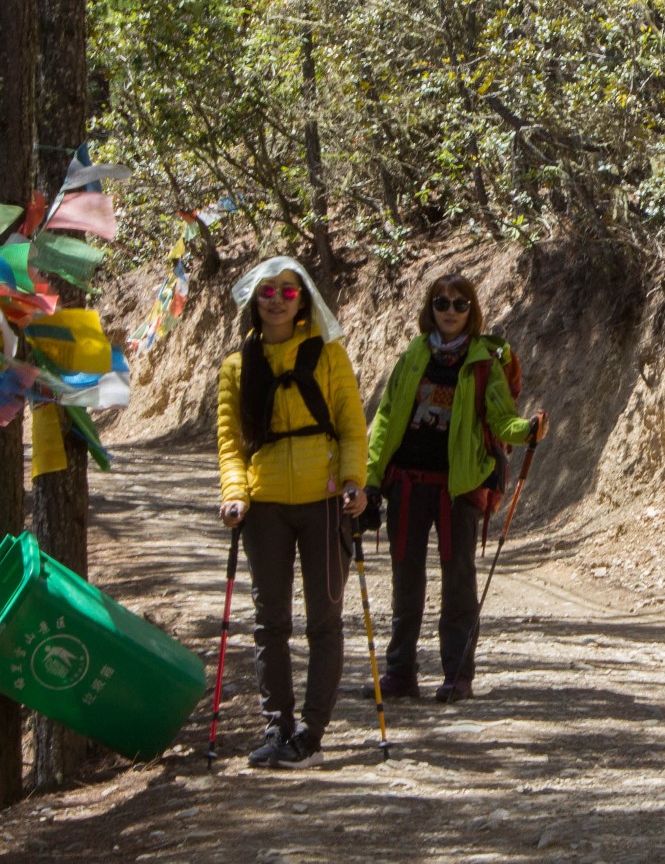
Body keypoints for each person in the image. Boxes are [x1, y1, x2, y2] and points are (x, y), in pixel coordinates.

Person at [215, 256, 368, 769]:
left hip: (325, 503)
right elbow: (232, 445)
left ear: (303, 298)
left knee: (323, 620)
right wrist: (235, 494)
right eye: (267, 291)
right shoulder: (237, 367)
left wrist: (354, 483)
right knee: (270, 621)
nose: (277, 299)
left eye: (287, 290)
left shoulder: (328, 355)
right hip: (264, 508)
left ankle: (311, 731)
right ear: (253, 301)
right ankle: (275, 726)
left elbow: (351, 426)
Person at [365, 273, 545, 702]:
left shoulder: (485, 360)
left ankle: (457, 675)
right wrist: (371, 478)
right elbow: (387, 417)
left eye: (459, 304)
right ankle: (400, 672)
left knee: (459, 580)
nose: (449, 311)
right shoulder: (413, 354)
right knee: (405, 578)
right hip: (406, 482)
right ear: (430, 308)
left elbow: (501, 417)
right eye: (441, 303)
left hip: (459, 486)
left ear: (472, 310)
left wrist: (526, 431)